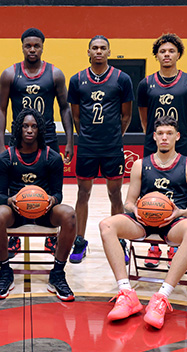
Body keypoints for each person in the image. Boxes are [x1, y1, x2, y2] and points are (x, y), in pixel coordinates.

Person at [99, 115, 187, 329]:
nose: (165, 138)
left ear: (178, 136)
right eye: (161, 134)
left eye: (169, 133)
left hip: (172, 222)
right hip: (143, 221)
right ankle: (126, 293)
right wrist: (135, 209)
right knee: (106, 225)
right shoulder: (140, 164)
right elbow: (128, 202)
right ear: (154, 137)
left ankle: (162, 297)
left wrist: (179, 212)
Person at [0, 27, 74, 258]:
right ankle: (14, 236)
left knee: (51, 186)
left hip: (47, 134)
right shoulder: (10, 74)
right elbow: (0, 108)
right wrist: (1, 145)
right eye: (28, 45)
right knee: (13, 186)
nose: (32, 49)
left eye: (36, 45)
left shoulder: (55, 74)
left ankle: (51, 235)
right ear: (22, 47)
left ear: (42, 47)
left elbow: (65, 107)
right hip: (19, 136)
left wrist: (70, 140)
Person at [0, 109, 77, 301]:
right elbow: (0, 195)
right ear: (18, 129)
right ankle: (5, 270)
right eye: (25, 126)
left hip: (45, 211)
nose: (29, 130)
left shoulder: (52, 157)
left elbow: (58, 194)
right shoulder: (6, 158)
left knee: (69, 214)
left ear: (40, 130)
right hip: (17, 211)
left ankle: (58, 273)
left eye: (34, 126)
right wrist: (9, 201)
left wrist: (52, 200)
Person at [67, 35, 133, 263]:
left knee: (115, 194)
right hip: (87, 147)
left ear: (108, 52)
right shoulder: (77, 80)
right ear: (88, 52)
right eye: (94, 48)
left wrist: (115, 136)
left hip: (112, 147)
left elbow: (126, 115)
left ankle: (120, 240)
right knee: (82, 194)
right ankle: (79, 240)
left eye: (102, 48)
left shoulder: (122, 79)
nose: (98, 51)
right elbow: (76, 115)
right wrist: (86, 135)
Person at [137, 33, 187, 268]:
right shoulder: (146, 83)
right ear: (157, 55)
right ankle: (154, 246)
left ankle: (174, 243)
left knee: (179, 190)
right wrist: (154, 135)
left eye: (171, 51)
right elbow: (144, 115)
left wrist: (179, 133)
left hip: (178, 142)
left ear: (178, 55)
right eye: (162, 51)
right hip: (155, 142)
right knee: (150, 190)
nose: (167, 55)